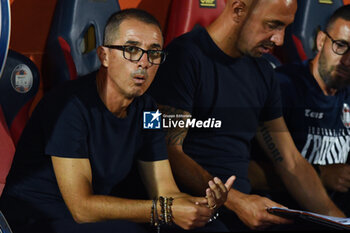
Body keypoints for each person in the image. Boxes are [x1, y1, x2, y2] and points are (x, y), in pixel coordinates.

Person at [0, 9, 235, 233]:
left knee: (214, 228)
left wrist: (201, 205)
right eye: (131, 50)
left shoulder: (149, 110)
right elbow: (82, 209)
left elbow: (164, 190)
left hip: (95, 218)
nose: (144, 62)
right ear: (104, 56)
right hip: (38, 219)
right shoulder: (69, 106)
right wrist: (165, 212)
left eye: (154, 53)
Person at [149, 0, 345, 231]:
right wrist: (237, 201)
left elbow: (289, 160)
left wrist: (339, 221)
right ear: (239, 9)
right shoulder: (183, 57)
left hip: (243, 211)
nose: (279, 39)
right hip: (194, 211)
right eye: (273, 25)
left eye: (285, 27)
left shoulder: (263, 73)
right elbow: (168, 151)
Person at [251, 5, 350, 217]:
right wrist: (320, 174)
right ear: (321, 40)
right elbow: (241, 171)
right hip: (287, 217)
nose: (347, 60)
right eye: (341, 45)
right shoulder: (282, 88)